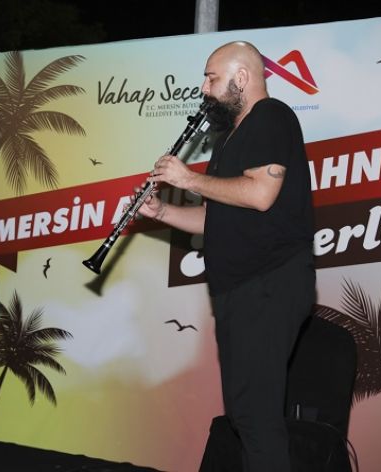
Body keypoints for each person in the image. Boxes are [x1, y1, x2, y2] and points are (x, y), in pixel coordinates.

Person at [137, 41, 315, 472]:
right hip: (238, 289)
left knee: (256, 415)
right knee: (244, 414)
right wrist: (161, 212)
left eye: (211, 78)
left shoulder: (271, 116)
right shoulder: (228, 139)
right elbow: (212, 219)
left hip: (269, 283)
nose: (204, 88)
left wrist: (188, 179)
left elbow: (261, 194)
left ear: (241, 78)